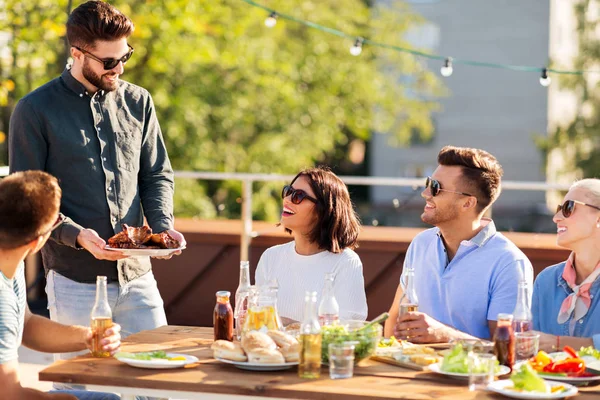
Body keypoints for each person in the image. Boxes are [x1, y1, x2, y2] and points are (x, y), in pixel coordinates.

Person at [8, 0, 184, 374]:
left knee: (159, 384)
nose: (119, 69)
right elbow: (27, 201)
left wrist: (163, 227)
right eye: (109, 62)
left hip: (140, 277)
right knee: (83, 387)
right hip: (75, 281)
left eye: (125, 57)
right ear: (77, 53)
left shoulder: (139, 101)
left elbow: (156, 175)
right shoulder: (34, 109)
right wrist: (76, 235)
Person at [384, 146, 533, 342]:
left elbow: (506, 350)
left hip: (470, 373)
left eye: (436, 187)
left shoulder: (509, 263)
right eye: (428, 182)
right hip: (411, 368)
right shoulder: (421, 243)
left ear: (467, 203)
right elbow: (393, 322)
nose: (426, 193)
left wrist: (445, 336)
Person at [0, 170, 121, 400]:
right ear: (38, 241)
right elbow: (9, 394)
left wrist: (86, 336)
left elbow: (26, 324)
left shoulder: (11, 263)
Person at [255, 167, 368, 323]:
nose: (287, 199)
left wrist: (287, 325)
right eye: (288, 191)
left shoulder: (347, 263)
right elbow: (258, 321)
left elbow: (347, 331)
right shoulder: (270, 257)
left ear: (324, 210)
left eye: (298, 196)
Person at [532, 179, 600, 352]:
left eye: (568, 208)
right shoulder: (546, 280)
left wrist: (560, 343)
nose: (556, 218)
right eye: (558, 209)